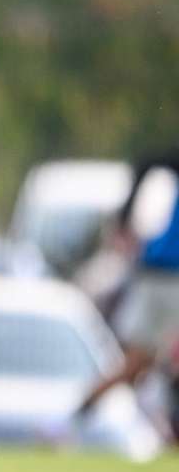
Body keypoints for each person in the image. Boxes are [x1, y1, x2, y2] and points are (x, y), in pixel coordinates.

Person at [68, 145, 179, 436]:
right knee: (137, 364)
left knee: (144, 367)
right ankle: (76, 416)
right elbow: (149, 162)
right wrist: (126, 214)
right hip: (166, 276)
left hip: (160, 274)